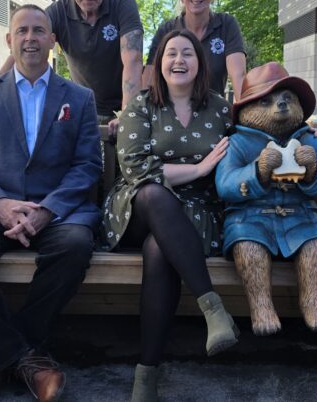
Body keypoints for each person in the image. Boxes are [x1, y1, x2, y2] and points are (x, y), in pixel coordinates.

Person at [0, 5, 102, 401]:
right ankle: (24, 359)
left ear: (52, 41)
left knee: (75, 246)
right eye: (22, 31)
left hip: (57, 212)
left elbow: (87, 166)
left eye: (39, 30)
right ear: (9, 40)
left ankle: (0, 360)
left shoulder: (78, 98)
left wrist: (47, 209)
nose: (30, 38)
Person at [101, 29, 239, 402]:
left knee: (159, 249)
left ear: (200, 63)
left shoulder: (220, 108)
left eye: (187, 54)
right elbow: (135, 169)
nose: (179, 60)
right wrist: (197, 169)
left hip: (196, 213)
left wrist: (307, 135)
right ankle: (212, 307)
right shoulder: (142, 106)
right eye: (170, 54)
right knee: (155, 194)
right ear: (159, 64)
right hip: (136, 206)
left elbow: (257, 135)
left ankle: (146, 374)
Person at [0, 0, 143, 135]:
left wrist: (126, 114)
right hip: (83, 107)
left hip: (123, 105)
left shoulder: (123, 5)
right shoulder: (58, 12)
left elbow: (133, 59)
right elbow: (25, 48)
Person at [143, 0, 246, 98]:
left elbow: (238, 75)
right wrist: (137, 114)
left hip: (213, 112)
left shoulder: (227, 24)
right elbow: (149, 79)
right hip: (170, 113)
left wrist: (244, 113)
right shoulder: (166, 30)